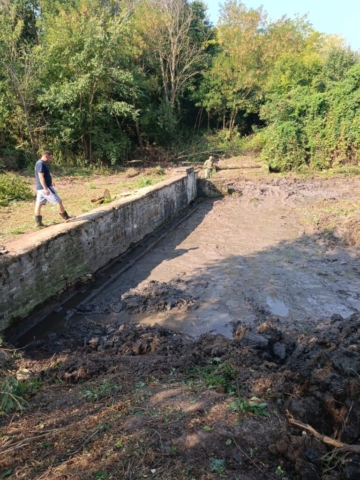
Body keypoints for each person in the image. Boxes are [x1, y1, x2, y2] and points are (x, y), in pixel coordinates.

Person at [34, 151, 73, 227]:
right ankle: (66, 217)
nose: (50, 159)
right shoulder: (41, 164)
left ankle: (38, 223)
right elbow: (40, 176)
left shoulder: (40, 163)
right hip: (44, 188)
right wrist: (45, 188)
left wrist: (50, 182)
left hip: (40, 188)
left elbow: (44, 176)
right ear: (46, 156)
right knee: (58, 201)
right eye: (50, 158)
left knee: (39, 204)